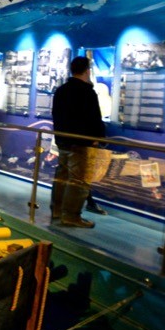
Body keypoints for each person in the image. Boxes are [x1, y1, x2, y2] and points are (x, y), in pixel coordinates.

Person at [49, 56, 106, 228]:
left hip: (63, 141)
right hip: (81, 143)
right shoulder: (87, 92)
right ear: (87, 70)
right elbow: (94, 118)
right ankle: (71, 216)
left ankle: (57, 210)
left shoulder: (61, 90)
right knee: (78, 181)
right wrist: (97, 138)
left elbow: (56, 115)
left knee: (62, 177)